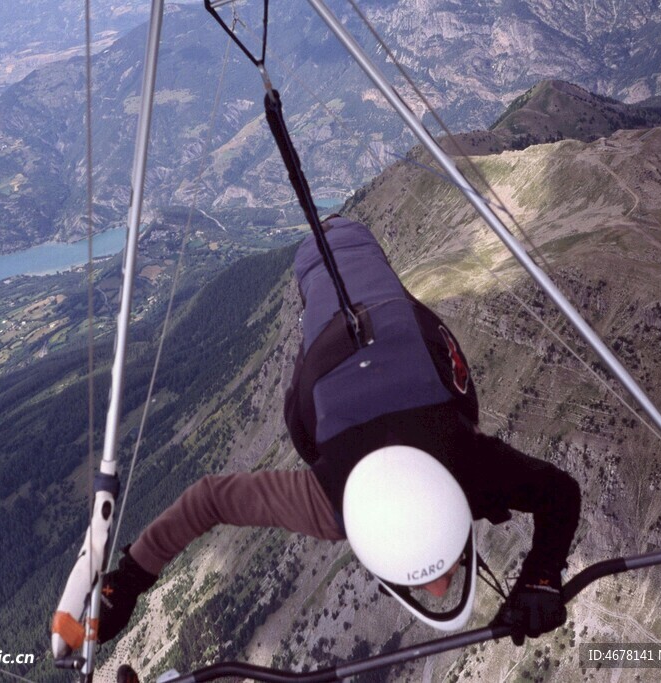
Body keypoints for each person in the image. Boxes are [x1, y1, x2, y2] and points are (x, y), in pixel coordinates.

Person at [96, 216, 581, 645]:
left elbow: (209, 500)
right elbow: (210, 500)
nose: (440, 587)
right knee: (306, 429)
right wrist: (126, 583)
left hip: (367, 332)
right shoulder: (341, 500)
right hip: (361, 333)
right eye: (452, 562)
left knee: (309, 429)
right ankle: (336, 251)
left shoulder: (447, 474)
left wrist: (541, 576)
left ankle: (334, 257)